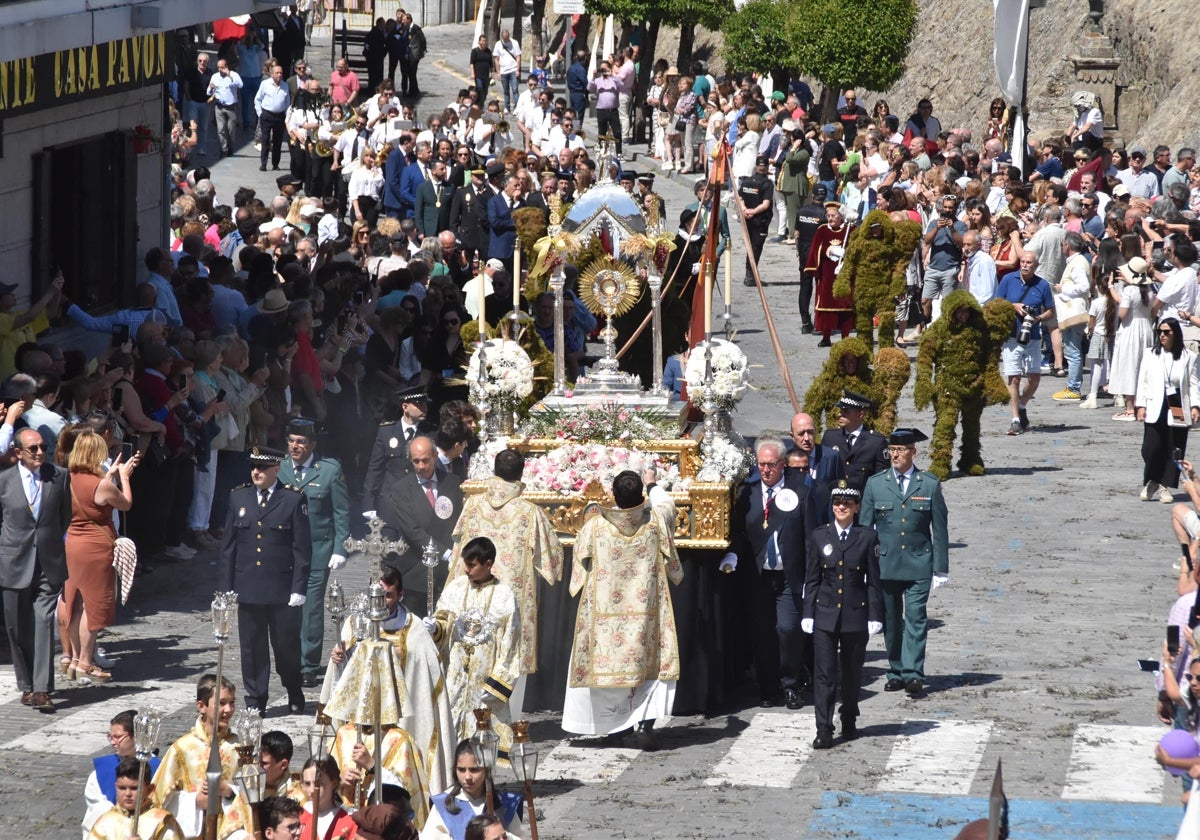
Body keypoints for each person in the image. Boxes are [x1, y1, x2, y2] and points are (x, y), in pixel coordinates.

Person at [563, 469, 683, 748]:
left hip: (606, 615)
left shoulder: (595, 526)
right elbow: (668, 506)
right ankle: (645, 723)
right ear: (641, 496)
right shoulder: (655, 522)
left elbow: (579, 561)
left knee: (609, 667)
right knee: (649, 669)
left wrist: (578, 581)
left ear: (613, 496)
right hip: (646, 613)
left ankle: (615, 727)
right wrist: (653, 483)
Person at [449, 448, 562, 714]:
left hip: (472, 594)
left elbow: (456, 548)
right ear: (521, 474)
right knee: (509, 656)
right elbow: (552, 561)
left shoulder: (473, 505)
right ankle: (506, 723)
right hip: (511, 602)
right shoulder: (530, 512)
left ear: (494, 471)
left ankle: (464, 715)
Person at [323, 566, 456, 794]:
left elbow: (425, 673)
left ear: (400, 594)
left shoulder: (413, 629)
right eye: (375, 595)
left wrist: (397, 655)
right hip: (362, 718)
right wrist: (341, 658)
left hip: (400, 718)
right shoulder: (355, 623)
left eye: (387, 595)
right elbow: (345, 677)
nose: (380, 602)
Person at [722, 433, 818, 709]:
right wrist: (731, 555)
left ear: (782, 464)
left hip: (789, 577)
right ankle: (768, 687)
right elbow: (739, 533)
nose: (766, 469)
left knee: (788, 630)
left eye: (771, 464)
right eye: (762, 464)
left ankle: (791, 683)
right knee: (763, 634)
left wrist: (811, 578)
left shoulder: (800, 493)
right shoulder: (748, 494)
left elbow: (810, 539)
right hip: (758, 577)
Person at [217, 446, 312, 714]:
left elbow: (302, 549)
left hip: (281, 590)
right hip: (248, 588)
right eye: (253, 467)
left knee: (286, 646)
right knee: (252, 647)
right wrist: (225, 590)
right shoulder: (239, 498)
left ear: (276, 469)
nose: (256, 472)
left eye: (262, 468)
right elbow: (228, 548)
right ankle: (256, 698)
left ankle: (293, 687)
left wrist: (299, 588)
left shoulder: (293, 499)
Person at [858, 429, 949, 697]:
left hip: (919, 563)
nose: (895, 455)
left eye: (901, 450)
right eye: (892, 450)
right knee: (891, 620)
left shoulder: (929, 484)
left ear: (913, 452)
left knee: (916, 617)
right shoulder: (876, 484)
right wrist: (862, 565)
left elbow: (940, 529)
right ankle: (896, 670)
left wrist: (940, 567)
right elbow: (865, 528)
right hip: (886, 564)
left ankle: (913, 673)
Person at [802, 480, 883, 749]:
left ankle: (849, 717)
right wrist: (808, 612)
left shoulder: (868, 537)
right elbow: (812, 578)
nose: (841, 507)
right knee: (824, 674)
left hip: (854, 614)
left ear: (856, 507)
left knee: (850, 673)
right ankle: (823, 728)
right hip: (824, 614)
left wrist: (874, 615)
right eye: (837, 503)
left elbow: (873, 579)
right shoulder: (819, 536)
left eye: (847, 504)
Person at [424, 536, 520, 757]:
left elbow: (511, 645)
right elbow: (444, 622)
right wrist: (434, 629)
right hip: (455, 677)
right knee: (449, 735)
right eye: (465, 564)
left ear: (488, 564)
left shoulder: (505, 596)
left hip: (484, 680)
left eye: (472, 565)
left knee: (483, 738)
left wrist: (498, 685)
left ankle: (483, 785)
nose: (466, 570)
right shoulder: (455, 588)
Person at [0, 427, 72, 713]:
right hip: (13, 562)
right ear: (18, 453)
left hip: (48, 561)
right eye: (33, 449)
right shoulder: (3, 482)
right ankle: (27, 685)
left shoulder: (59, 477)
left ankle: (42, 688)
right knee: (17, 627)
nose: (41, 453)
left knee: (43, 621)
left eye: (43, 447)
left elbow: (64, 516)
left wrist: (50, 543)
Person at [59, 433, 139, 684]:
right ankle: (85, 661)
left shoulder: (66, 479)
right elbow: (125, 504)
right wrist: (124, 478)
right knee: (92, 606)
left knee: (74, 602)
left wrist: (109, 477)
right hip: (96, 549)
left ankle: (71, 658)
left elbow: (88, 499)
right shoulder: (100, 484)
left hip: (72, 545)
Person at [277, 418, 351, 686]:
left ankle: (307, 664)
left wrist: (341, 546)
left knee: (311, 607)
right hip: (285, 551)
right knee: (285, 606)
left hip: (318, 549)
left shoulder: (329, 471)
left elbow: (341, 511)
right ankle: (288, 658)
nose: (294, 446)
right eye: (291, 441)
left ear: (312, 445)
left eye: (301, 442)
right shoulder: (280, 467)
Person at [913, 291, 1015, 480]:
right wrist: (924, 384)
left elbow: (989, 359)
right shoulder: (937, 331)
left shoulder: (979, 330)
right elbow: (924, 359)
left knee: (972, 427)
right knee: (945, 425)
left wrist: (993, 384)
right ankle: (940, 463)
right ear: (950, 311)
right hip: (947, 387)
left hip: (974, 387)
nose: (964, 315)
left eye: (967, 312)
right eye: (960, 312)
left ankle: (971, 460)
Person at [152, 674, 248, 839]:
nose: (229, 710)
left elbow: (254, 796)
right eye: (222, 703)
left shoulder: (239, 748)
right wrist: (195, 801)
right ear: (201, 706)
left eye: (232, 703)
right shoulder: (182, 748)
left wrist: (229, 791)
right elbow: (157, 800)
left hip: (229, 830)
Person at [378, 435, 464, 614]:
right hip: (417, 571)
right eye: (416, 461)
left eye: (425, 460)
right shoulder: (401, 489)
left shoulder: (452, 483)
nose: (421, 466)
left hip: (448, 572)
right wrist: (447, 554)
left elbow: (459, 522)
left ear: (434, 456)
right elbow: (413, 531)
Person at [1135, 317, 1200, 504]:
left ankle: (1165, 484)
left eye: (1166, 332)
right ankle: (1152, 480)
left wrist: (1196, 405)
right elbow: (1143, 380)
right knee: (1151, 447)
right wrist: (1141, 405)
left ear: (1175, 334)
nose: (1162, 335)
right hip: (1155, 402)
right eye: (1159, 332)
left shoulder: (1189, 356)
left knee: (1175, 445)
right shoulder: (1150, 354)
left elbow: (1194, 383)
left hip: (1177, 402)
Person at [995, 252, 1055, 435]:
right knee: (1014, 378)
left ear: (1036, 265)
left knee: (1034, 378)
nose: (1024, 265)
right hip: (1012, 336)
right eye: (1022, 262)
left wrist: (1037, 318)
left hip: (1033, 336)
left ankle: (1021, 405)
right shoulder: (1008, 279)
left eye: (1029, 262)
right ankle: (1015, 420)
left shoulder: (1042, 284)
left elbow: (1051, 311)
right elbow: (996, 304)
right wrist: (1012, 306)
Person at [420, 740, 526, 840]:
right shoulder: (443, 805)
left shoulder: (505, 804)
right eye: (461, 770)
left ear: (487, 769)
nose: (467, 777)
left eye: (474, 770)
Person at [331, 719, 430, 825]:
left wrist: (372, 766)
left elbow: (403, 791)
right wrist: (339, 780)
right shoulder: (343, 733)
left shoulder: (399, 738)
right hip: (344, 819)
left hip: (381, 823)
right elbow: (325, 780)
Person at [82, 710, 164, 838]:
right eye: (110, 736)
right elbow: (96, 812)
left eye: (118, 737)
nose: (113, 742)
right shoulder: (101, 772)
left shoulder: (158, 768)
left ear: (136, 736)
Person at [362, 389, 435, 515]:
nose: (425, 408)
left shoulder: (430, 433)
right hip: (391, 502)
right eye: (419, 404)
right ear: (405, 407)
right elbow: (375, 468)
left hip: (419, 503)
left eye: (425, 404)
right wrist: (369, 504)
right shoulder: (386, 432)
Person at [86, 757, 185, 840]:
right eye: (122, 788)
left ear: (150, 789)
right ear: (115, 786)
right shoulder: (105, 822)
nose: (128, 794)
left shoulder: (162, 821)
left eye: (134, 788)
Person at [1109, 257, 1156, 420]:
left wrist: (1118, 298)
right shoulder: (1149, 290)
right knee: (1142, 367)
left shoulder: (1130, 291)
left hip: (1131, 329)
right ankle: (1141, 405)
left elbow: (1123, 314)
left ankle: (1129, 408)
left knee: (1128, 366)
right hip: (1146, 328)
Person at [805, 201, 855, 346]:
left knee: (845, 305)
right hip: (827, 275)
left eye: (833, 215)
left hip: (844, 274)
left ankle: (845, 337)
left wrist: (847, 254)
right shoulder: (822, 230)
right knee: (827, 306)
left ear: (841, 216)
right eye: (828, 216)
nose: (830, 218)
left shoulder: (849, 230)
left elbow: (857, 248)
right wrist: (829, 250)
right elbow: (815, 249)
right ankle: (826, 337)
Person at [819, 390, 889, 493]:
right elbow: (822, 473)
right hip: (836, 502)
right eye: (840, 410)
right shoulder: (830, 437)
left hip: (862, 502)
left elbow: (882, 479)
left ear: (860, 414)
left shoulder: (875, 442)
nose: (840, 414)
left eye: (846, 411)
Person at [789, 411, 845, 524]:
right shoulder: (786, 458)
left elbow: (840, 492)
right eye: (801, 433)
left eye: (810, 432)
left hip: (824, 522)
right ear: (792, 436)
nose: (806, 438)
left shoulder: (832, 457)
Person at [738, 155, 775, 287]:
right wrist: (752, 212)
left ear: (756, 167)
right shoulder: (767, 183)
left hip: (748, 218)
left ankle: (750, 274)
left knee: (750, 246)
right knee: (756, 247)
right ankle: (750, 276)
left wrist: (745, 210)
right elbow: (765, 204)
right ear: (766, 168)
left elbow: (740, 198)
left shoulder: (747, 181)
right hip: (760, 220)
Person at [298, 758, 358, 838]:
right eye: (307, 783)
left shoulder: (350, 818)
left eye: (318, 784)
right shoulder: (299, 815)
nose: (312, 790)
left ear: (333, 783)